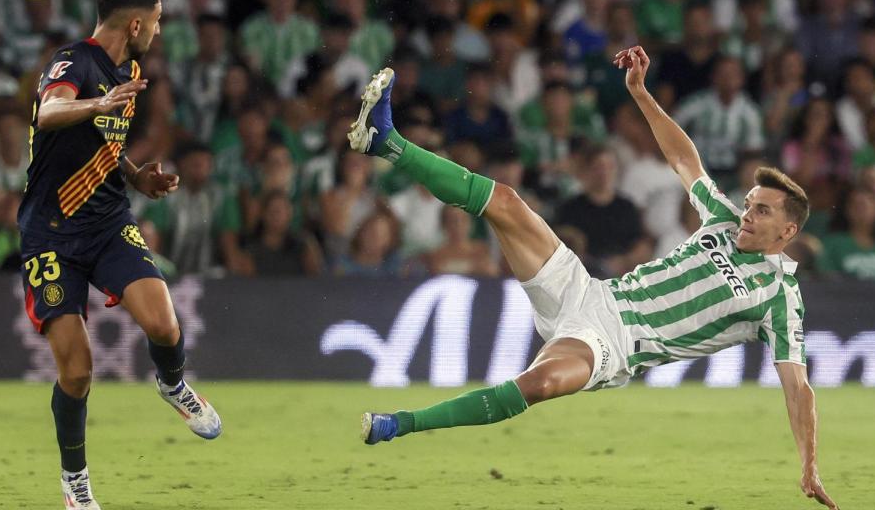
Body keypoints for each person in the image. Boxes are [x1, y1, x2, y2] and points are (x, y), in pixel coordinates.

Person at [350, 46, 839, 510]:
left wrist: (810, 465)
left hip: (613, 344)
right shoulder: (723, 220)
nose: (748, 213)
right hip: (587, 291)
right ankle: (386, 142)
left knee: (540, 383)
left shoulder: (779, 297)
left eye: (762, 210)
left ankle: (400, 424)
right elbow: (684, 159)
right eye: (750, 203)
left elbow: (798, 389)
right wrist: (640, 93)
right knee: (507, 202)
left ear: (788, 231)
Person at [19, 0, 221, 510]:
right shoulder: (74, 62)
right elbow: (50, 111)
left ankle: (173, 384)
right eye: (156, 21)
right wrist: (98, 103)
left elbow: (102, 142)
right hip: (50, 236)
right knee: (77, 372)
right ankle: (75, 481)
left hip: (108, 223)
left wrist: (135, 176)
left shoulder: (127, 72)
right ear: (134, 24)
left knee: (164, 324)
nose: (158, 30)